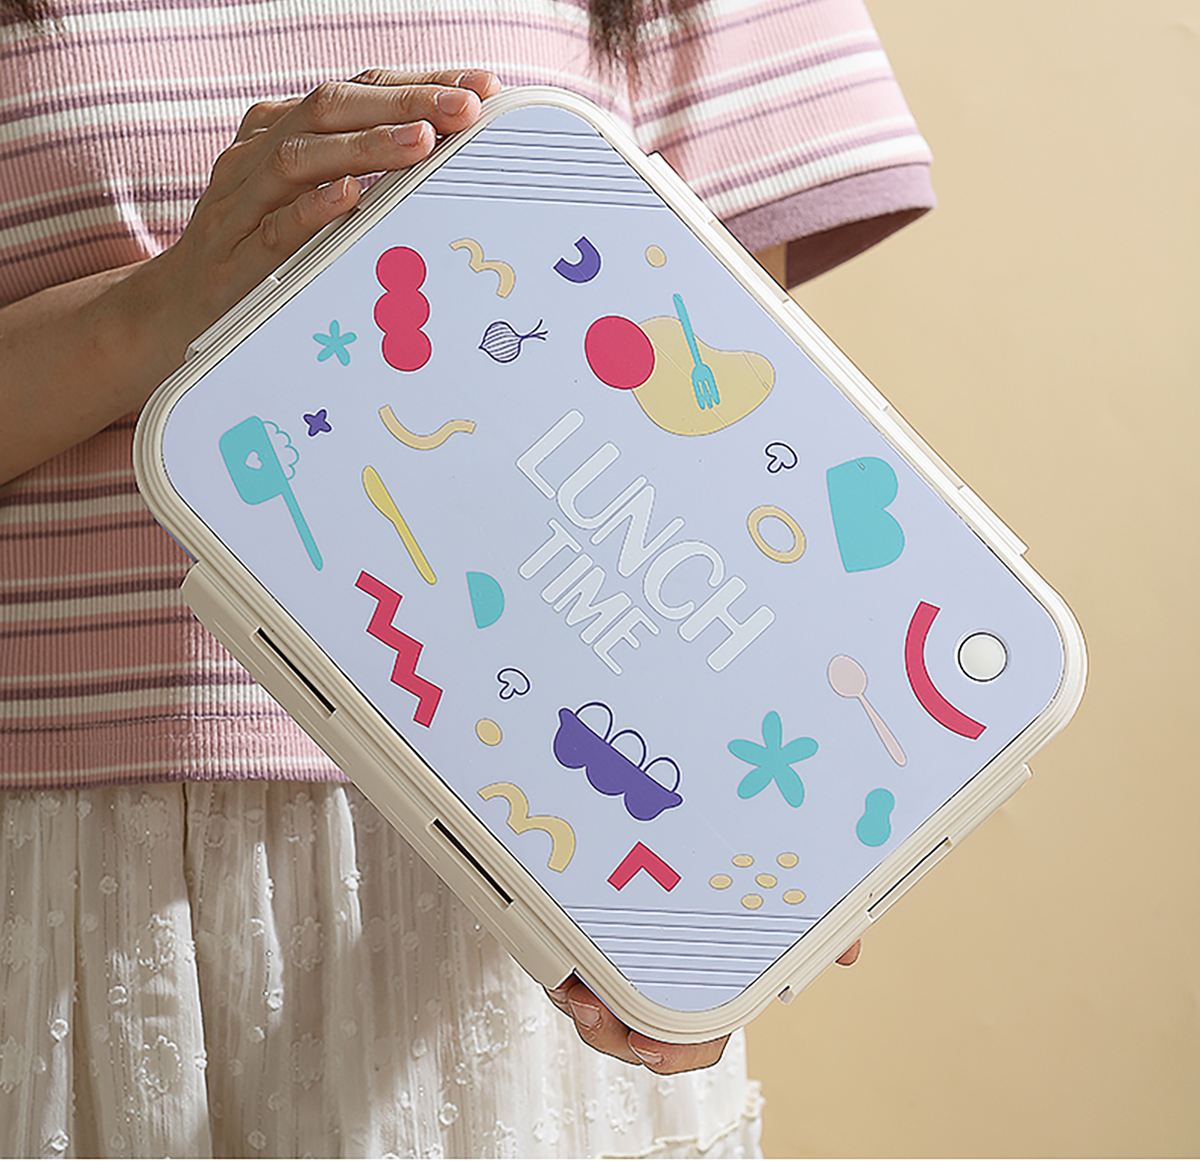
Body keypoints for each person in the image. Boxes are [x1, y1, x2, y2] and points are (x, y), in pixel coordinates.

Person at [0, 0, 929, 1153]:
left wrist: (752, 852)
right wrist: (165, 306)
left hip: (515, 849)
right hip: (59, 878)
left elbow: (719, 455)